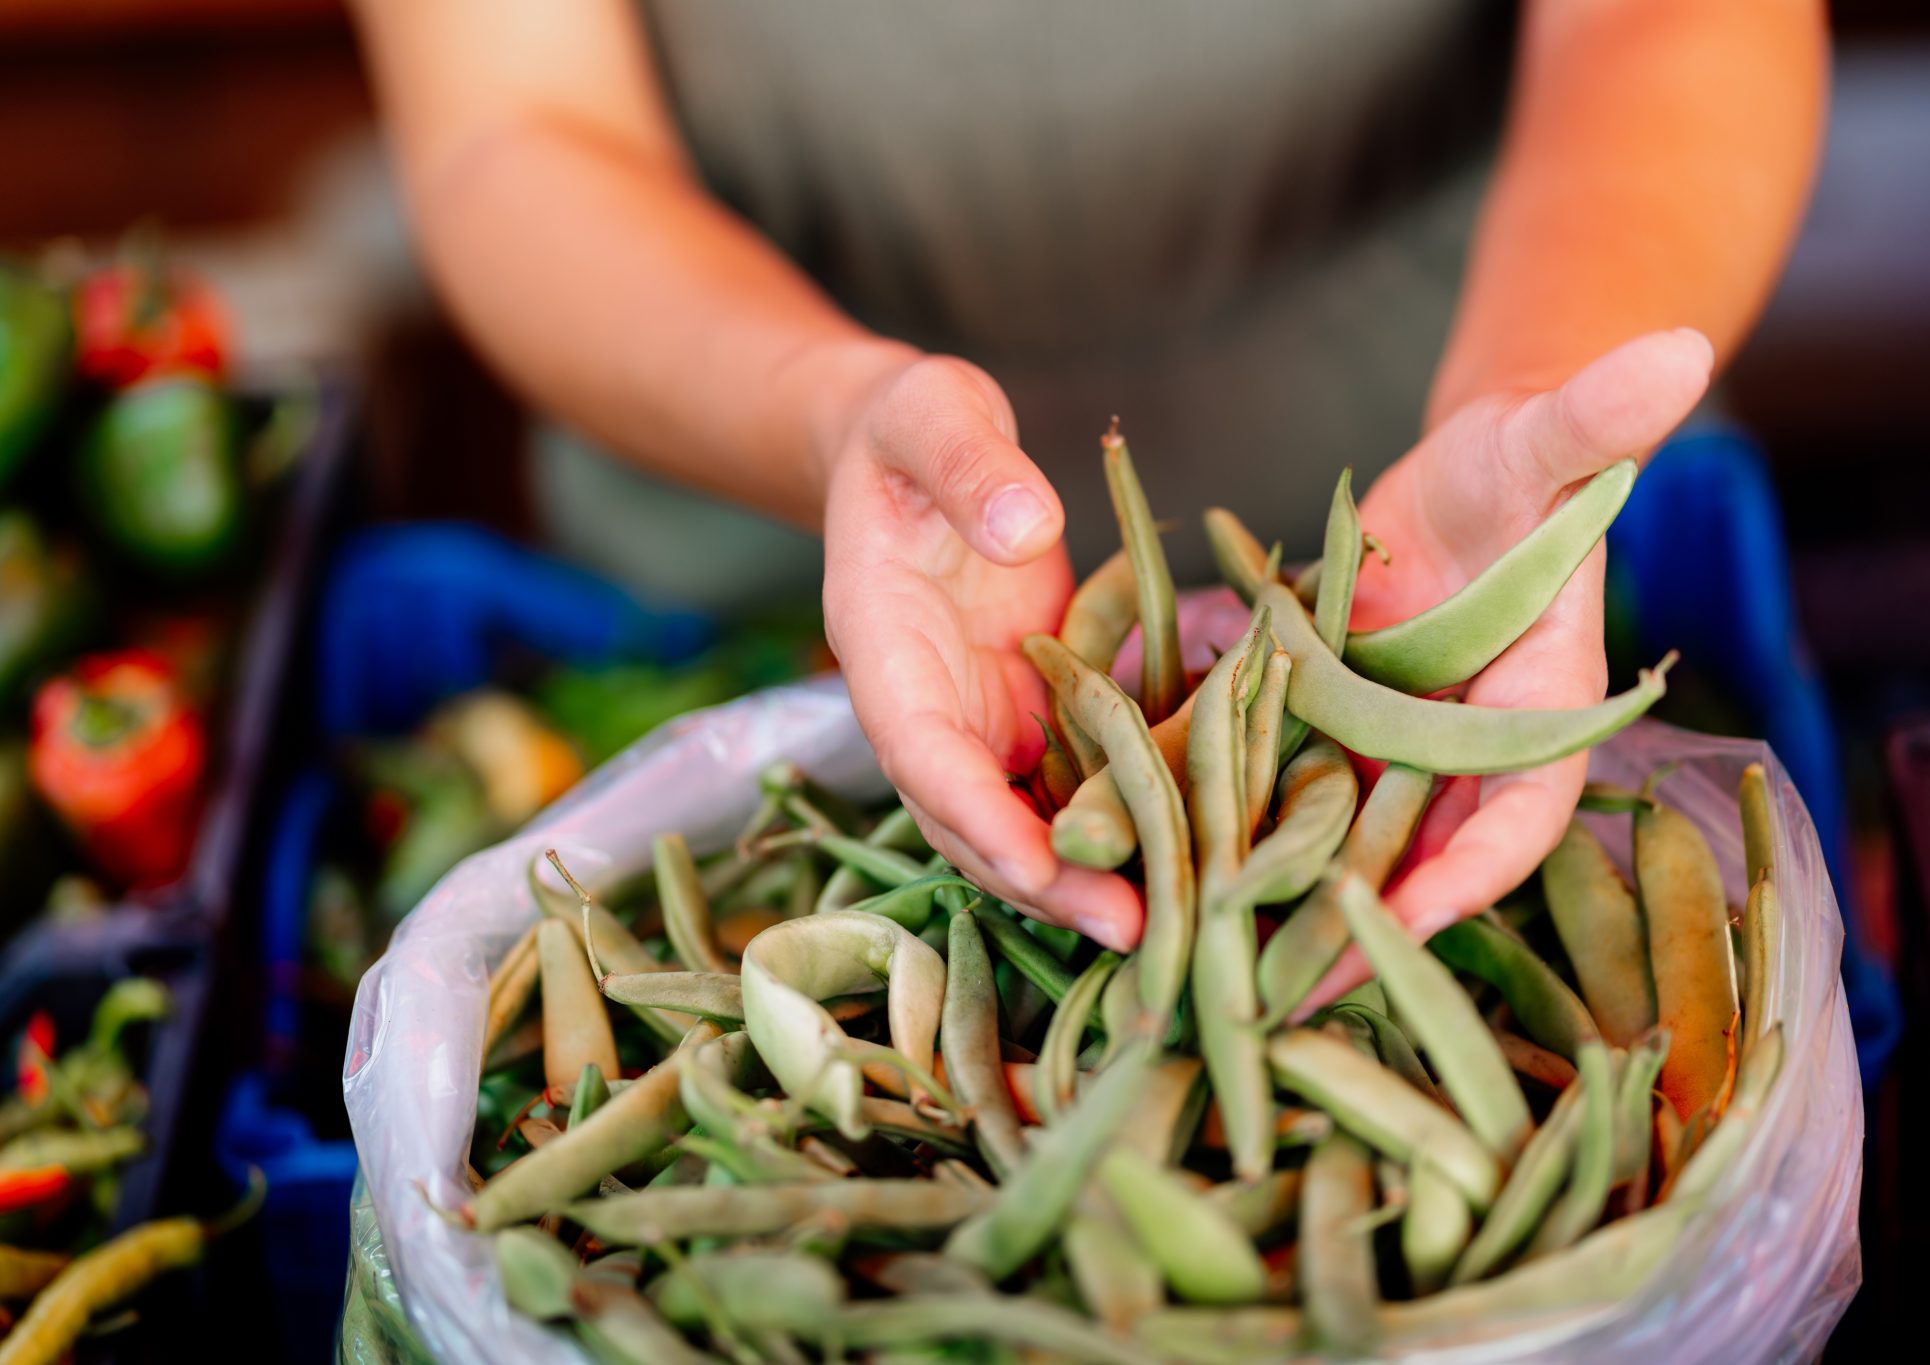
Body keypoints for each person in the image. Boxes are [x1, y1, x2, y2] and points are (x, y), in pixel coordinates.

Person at [351, 0, 1825, 1002]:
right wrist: (831, 416)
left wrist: (1535, 407)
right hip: (769, 519)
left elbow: (1672, 17)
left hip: (1479, 486)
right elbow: (517, 130)